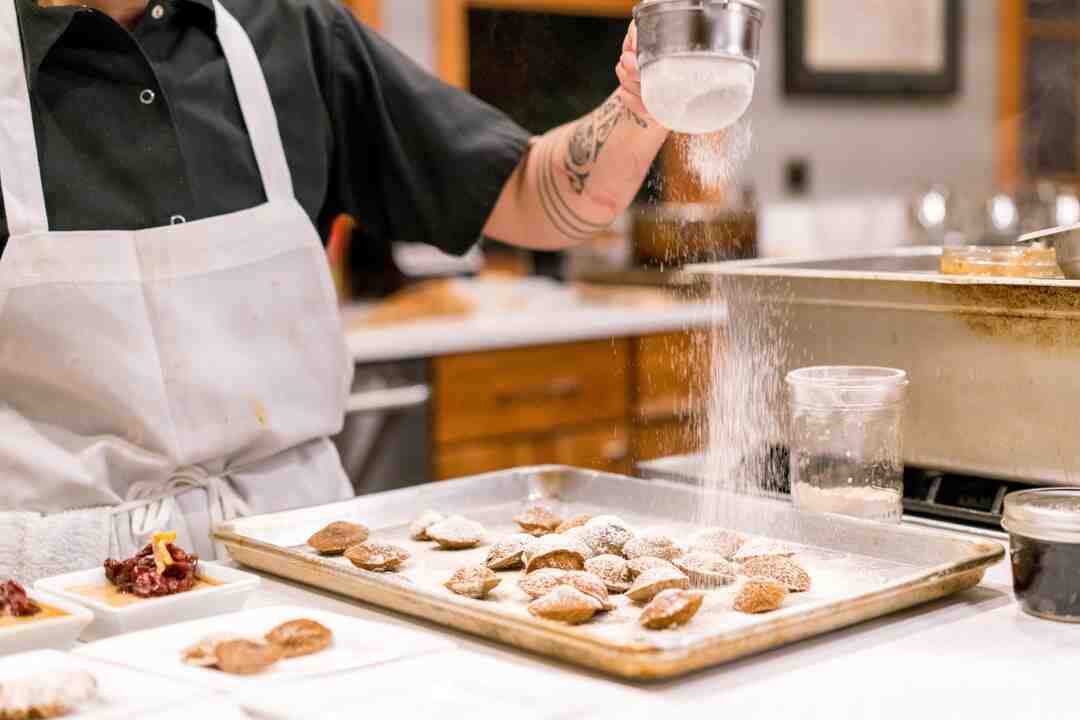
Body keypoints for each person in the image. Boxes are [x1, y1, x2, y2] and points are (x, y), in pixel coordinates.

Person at [0, 0, 669, 581]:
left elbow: (535, 193)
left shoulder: (293, 33)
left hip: (297, 559)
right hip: (62, 590)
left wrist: (644, 101)